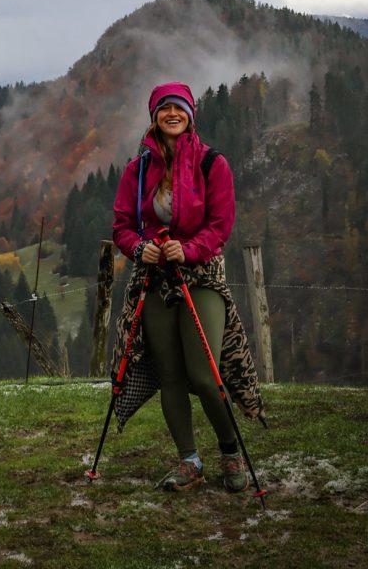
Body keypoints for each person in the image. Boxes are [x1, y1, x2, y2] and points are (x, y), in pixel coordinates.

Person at [111, 81, 264, 492]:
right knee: (170, 374)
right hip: (155, 280)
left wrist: (190, 249)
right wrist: (139, 248)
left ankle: (230, 454)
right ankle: (189, 461)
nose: (172, 114)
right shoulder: (137, 170)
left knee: (203, 372)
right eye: (164, 108)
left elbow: (220, 225)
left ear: (191, 114)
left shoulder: (213, 164)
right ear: (154, 116)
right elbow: (122, 225)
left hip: (202, 276)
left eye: (179, 107)